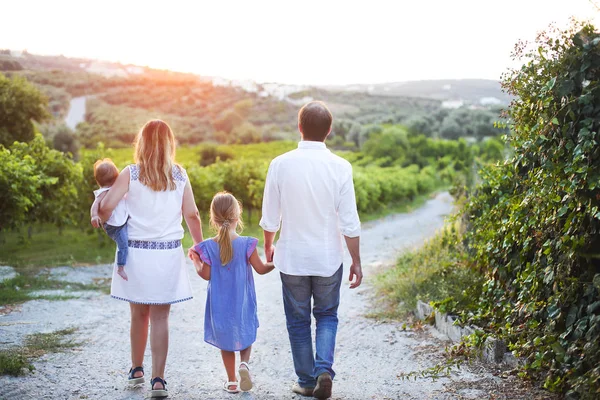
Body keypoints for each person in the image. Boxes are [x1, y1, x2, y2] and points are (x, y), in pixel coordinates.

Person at [260, 101, 362, 399]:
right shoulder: (341, 167)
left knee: (298, 320)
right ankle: (324, 371)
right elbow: (350, 222)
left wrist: (269, 245)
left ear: (299, 126)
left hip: (292, 257)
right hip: (328, 258)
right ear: (329, 130)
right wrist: (356, 261)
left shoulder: (280, 164)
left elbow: (269, 216)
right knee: (327, 315)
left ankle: (306, 381)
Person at [98, 119, 203, 398]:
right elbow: (192, 214)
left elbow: (107, 206)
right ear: (170, 144)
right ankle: (159, 380)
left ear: (141, 143)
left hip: (136, 253)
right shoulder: (179, 175)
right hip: (167, 253)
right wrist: (199, 246)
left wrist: (102, 213)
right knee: (160, 318)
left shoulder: (130, 174)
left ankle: (136, 370)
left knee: (138, 315)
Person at [188, 192, 274, 393]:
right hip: (242, 301)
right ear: (237, 216)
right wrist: (275, 261)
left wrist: (195, 261)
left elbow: (206, 274)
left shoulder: (208, 246)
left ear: (213, 218)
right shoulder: (247, 243)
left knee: (226, 341)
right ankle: (244, 364)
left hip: (220, 305)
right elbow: (261, 269)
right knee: (245, 332)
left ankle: (232, 381)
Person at [90, 158, 129, 281]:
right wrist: (94, 215)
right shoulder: (104, 191)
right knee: (123, 245)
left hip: (120, 222)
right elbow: (95, 204)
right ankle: (121, 267)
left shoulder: (116, 189)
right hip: (114, 226)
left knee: (127, 242)